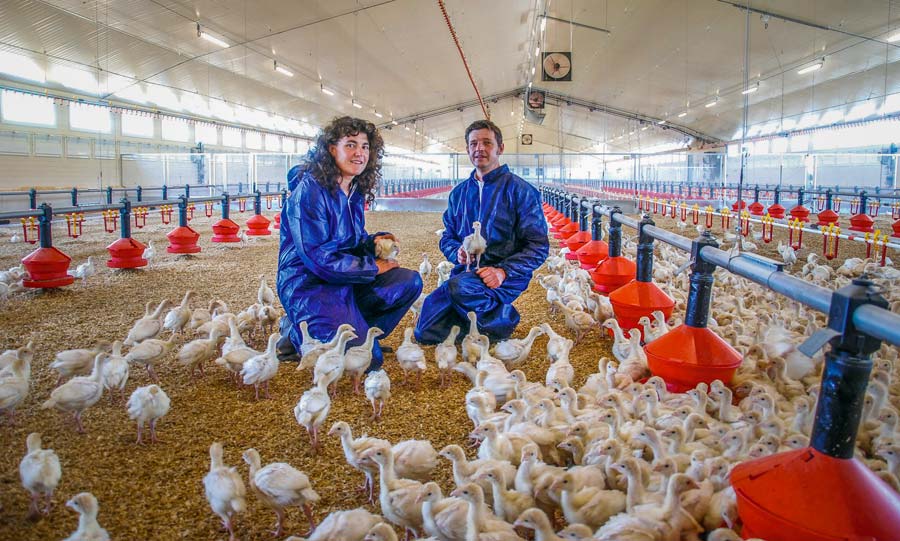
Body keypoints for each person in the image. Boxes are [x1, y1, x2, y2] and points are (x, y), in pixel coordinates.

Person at [276, 116, 423, 371]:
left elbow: (350, 240)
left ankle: (349, 327)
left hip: (343, 280)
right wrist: (373, 267)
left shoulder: (352, 190)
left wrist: (373, 242)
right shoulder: (310, 192)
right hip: (310, 283)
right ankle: (300, 333)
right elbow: (318, 258)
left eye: (365, 147)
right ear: (332, 148)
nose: (360, 153)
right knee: (369, 360)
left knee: (409, 281)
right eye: (351, 145)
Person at [414, 119, 549, 344]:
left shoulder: (521, 191)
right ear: (467, 149)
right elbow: (447, 236)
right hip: (467, 274)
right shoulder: (459, 194)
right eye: (474, 143)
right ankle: (471, 321)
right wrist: (456, 251)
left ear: (500, 148)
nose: (480, 148)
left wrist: (503, 271)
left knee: (459, 289)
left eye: (487, 142)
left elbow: (538, 246)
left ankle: (504, 319)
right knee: (425, 330)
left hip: (504, 275)